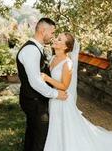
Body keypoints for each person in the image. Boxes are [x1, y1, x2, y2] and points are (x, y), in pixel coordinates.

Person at [41, 32, 112, 151]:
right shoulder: (53, 58)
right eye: (57, 38)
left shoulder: (68, 63)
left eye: (59, 39)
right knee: (56, 128)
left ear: (66, 47)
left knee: (65, 129)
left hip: (63, 101)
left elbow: (64, 86)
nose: (55, 40)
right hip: (54, 98)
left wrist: (46, 78)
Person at [16, 18, 68, 151]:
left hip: (34, 100)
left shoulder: (37, 48)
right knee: (41, 140)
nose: (52, 37)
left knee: (32, 135)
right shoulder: (31, 50)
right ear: (42, 30)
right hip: (35, 102)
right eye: (52, 33)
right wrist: (56, 94)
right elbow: (35, 82)